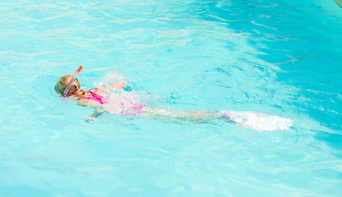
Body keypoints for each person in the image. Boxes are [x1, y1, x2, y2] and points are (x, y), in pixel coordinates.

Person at [55, 66, 292, 131]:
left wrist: (93, 116)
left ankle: (222, 116)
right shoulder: (101, 86)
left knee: (179, 118)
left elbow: (104, 108)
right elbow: (123, 84)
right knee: (172, 114)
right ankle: (220, 115)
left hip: (132, 110)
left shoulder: (82, 101)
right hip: (136, 100)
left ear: (68, 96)